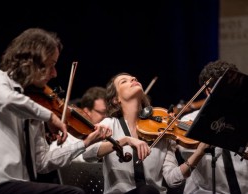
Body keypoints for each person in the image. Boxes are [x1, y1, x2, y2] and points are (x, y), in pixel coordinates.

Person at [0, 28, 112, 194]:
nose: (54, 73)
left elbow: (42, 162)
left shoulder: (35, 106)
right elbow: (9, 100)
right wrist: (50, 116)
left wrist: (84, 144)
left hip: (22, 186)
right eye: (51, 65)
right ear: (32, 61)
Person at [82, 72, 209, 194]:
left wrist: (198, 154)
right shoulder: (110, 124)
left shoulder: (161, 131)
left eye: (134, 78)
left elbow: (172, 179)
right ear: (116, 99)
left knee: (148, 191)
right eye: (124, 81)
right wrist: (125, 140)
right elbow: (87, 154)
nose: (133, 79)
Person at [178, 60, 248, 194]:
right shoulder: (189, 120)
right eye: (227, 88)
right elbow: (191, 162)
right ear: (209, 91)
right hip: (206, 191)